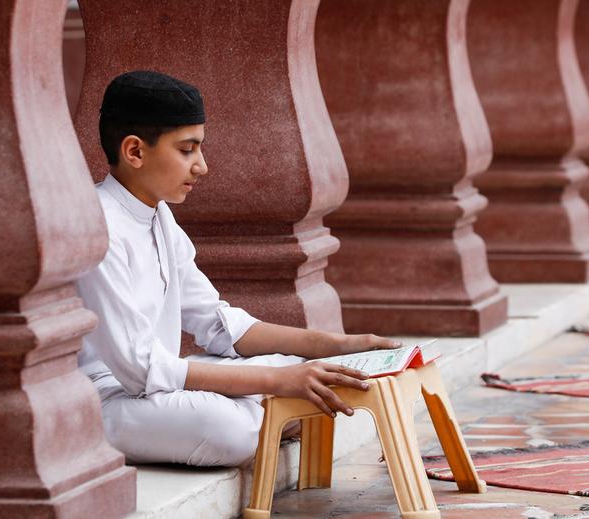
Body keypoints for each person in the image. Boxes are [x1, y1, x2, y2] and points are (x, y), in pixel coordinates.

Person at [76, 70, 400, 467]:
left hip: (157, 390)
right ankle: (269, 413)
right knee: (226, 428)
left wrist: (339, 344)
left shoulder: (157, 216)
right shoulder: (98, 227)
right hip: (104, 401)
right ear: (135, 152)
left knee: (302, 369)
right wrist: (275, 383)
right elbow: (140, 370)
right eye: (187, 150)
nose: (202, 167)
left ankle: (269, 411)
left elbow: (219, 325)